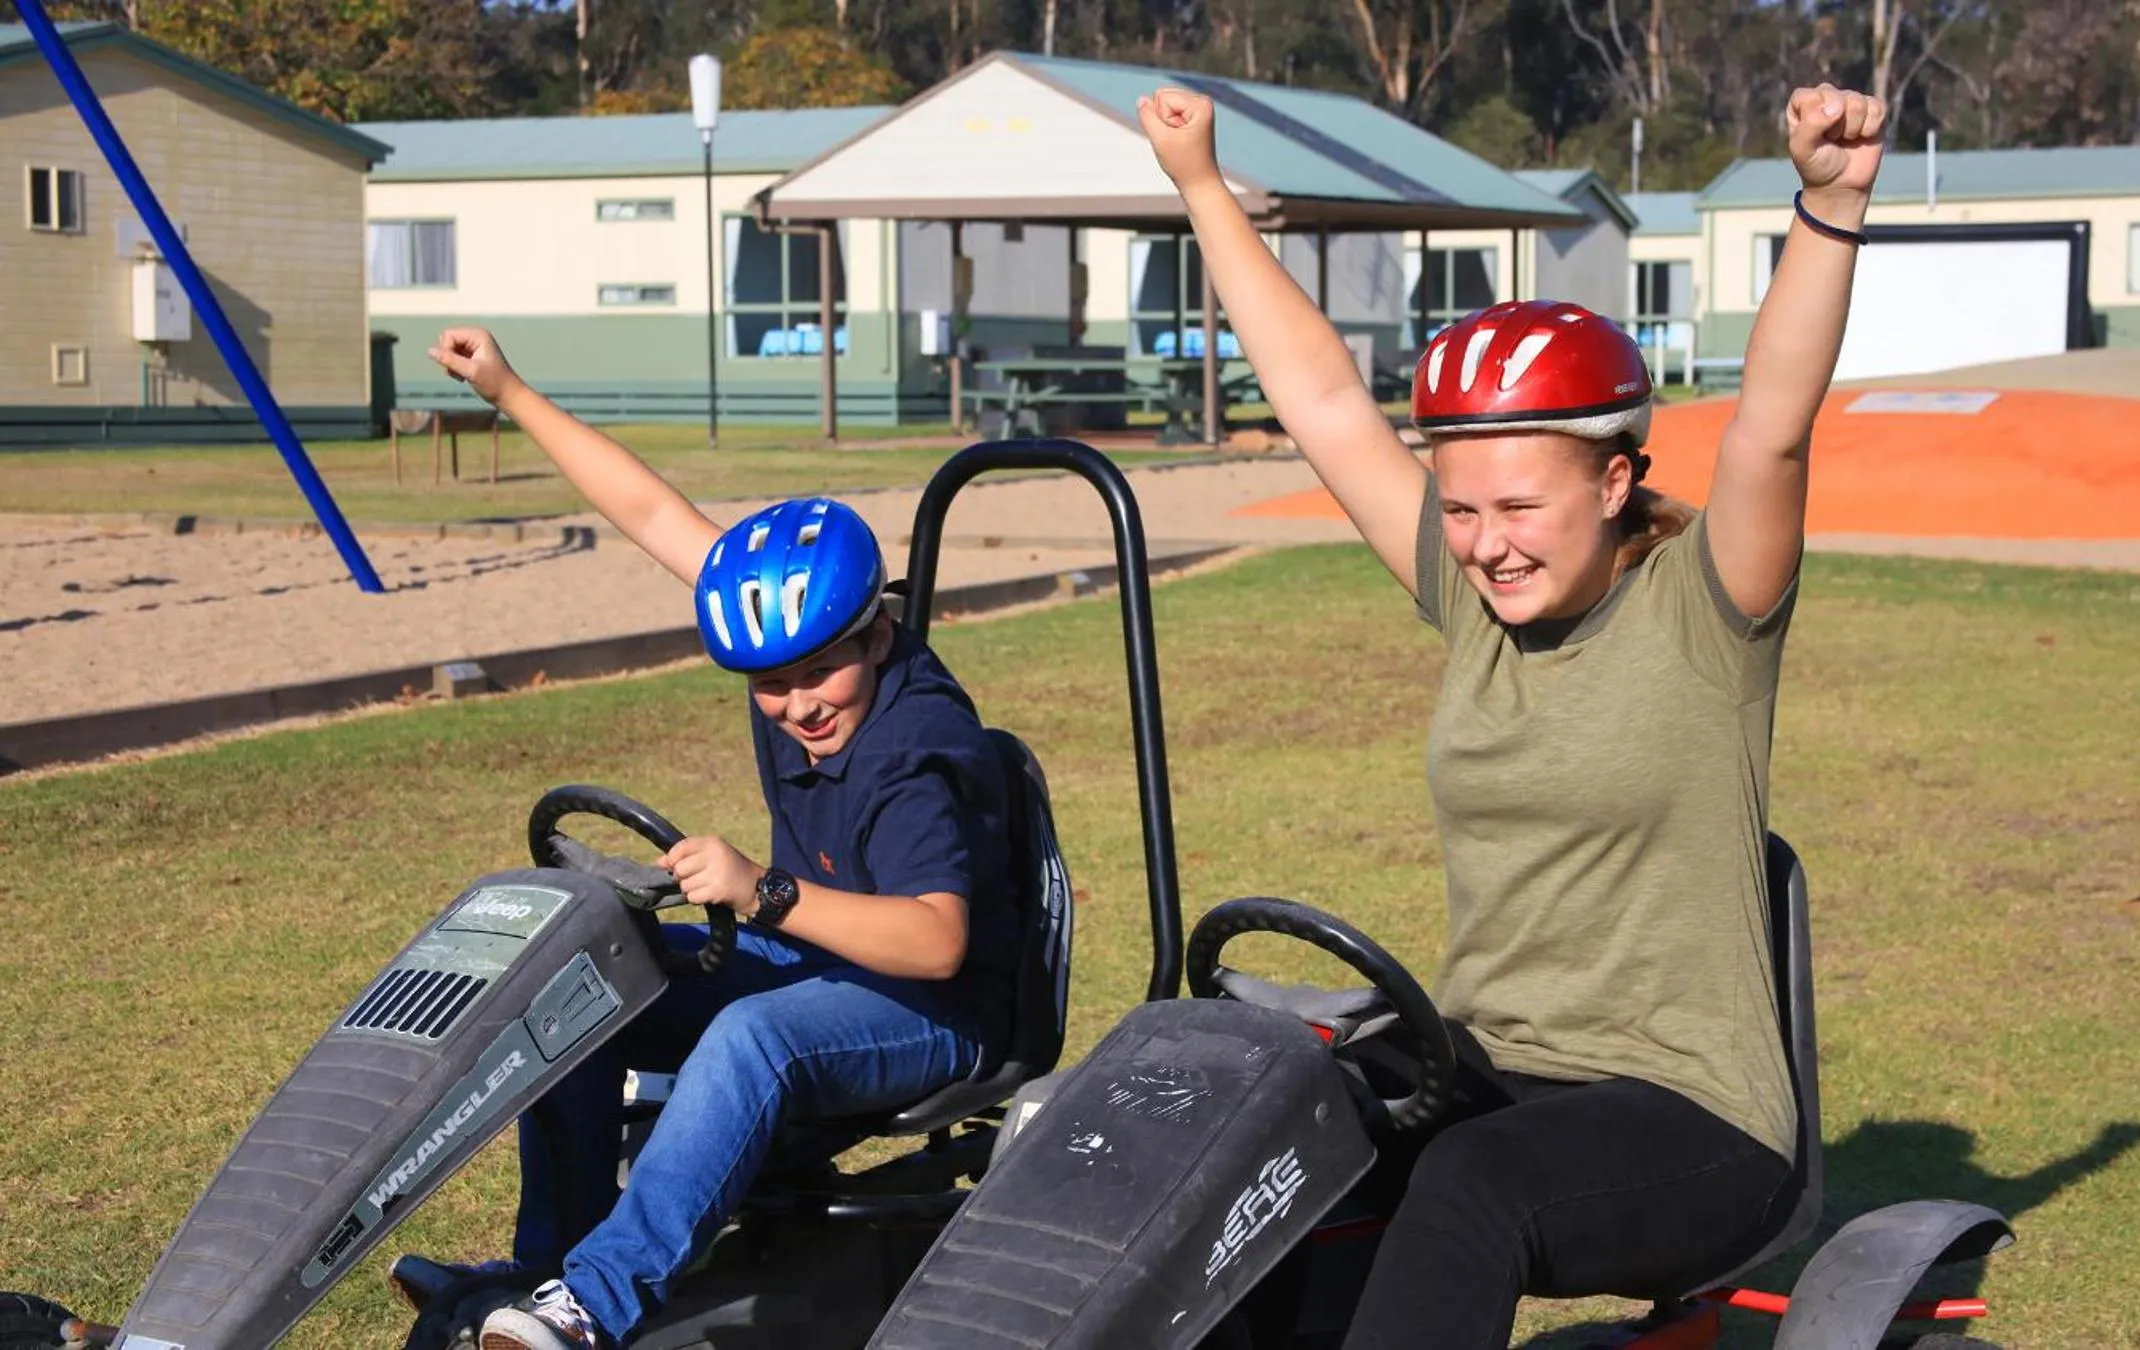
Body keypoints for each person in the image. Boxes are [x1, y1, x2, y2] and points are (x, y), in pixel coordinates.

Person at [1138, 81, 1887, 1348]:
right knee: (1257, 1118)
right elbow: (1324, 405)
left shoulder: (1709, 617)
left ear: (1612, 479)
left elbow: (1771, 430)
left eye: (1519, 508)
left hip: (1689, 1113)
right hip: (1487, 1065)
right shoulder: (1473, 600)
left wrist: (1827, 204)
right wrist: (1204, 189)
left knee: (1468, 1182)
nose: (1483, 546)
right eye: (1461, 508)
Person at [413, 329, 1021, 1350]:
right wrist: (508, 387)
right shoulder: (792, 638)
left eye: (817, 673)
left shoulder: (915, 747)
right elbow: (652, 512)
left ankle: (592, 1305)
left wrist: (761, 892)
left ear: (875, 630)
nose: (794, 704)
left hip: (942, 1009)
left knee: (753, 1039)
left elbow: (937, 945)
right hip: (824, 959)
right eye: (768, 683)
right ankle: (543, 1267)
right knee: (582, 991)